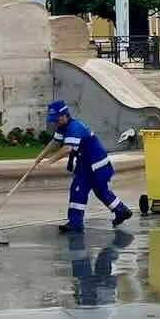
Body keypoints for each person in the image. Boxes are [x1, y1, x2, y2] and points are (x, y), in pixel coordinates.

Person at [40, 100, 132, 233]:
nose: (54, 122)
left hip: (95, 163)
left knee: (85, 189)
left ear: (64, 115)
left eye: (56, 119)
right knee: (92, 190)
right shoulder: (62, 127)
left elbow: (67, 148)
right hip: (86, 162)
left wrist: (50, 161)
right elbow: (55, 142)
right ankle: (121, 211)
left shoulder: (75, 127)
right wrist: (40, 157)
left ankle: (76, 223)